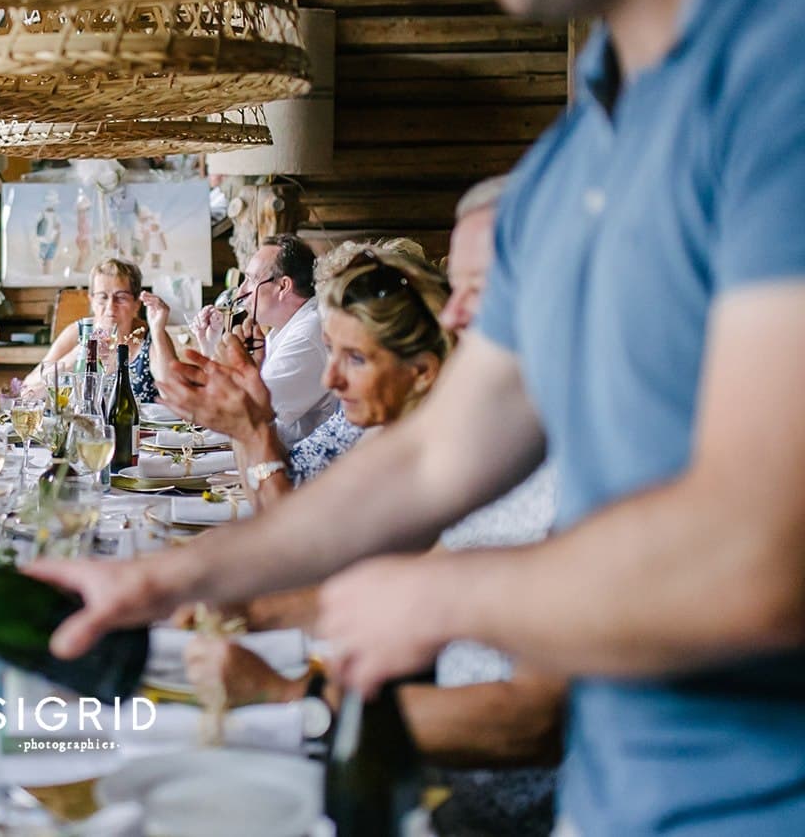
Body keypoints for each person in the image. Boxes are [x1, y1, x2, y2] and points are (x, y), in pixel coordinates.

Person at [29, 0, 805, 832]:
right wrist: (163, 577)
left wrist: (446, 594)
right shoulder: (569, 160)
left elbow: (767, 555)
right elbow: (433, 459)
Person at [185, 190, 566, 836]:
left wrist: (295, 701)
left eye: (481, 286)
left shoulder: (580, 458)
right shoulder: (483, 439)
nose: (455, 310)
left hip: (479, 813)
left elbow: (530, 720)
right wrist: (251, 607)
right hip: (419, 780)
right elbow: (414, 589)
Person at [193, 240, 444, 508]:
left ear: (421, 371)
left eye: (356, 358)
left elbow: (280, 506)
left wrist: (250, 415)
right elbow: (284, 479)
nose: (329, 380)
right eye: (331, 349)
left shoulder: (425, 448)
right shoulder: (353, 423)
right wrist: (249, 404)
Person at [180, 234, 337, 443]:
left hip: (300, 470)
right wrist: (210, 343)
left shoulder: (308, 334)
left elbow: (243, 413)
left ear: (283, 287)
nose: (241, 291)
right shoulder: (282, 329)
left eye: (252, 279)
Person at [25, 257, 158, 402]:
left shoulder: (151, 336)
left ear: (136, 304)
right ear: (92, 301)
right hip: (81, 422)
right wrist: (80, 353)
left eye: (121, 298)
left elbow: (171, 393)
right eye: (102, 297)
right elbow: (27, 391)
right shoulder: (78, 332)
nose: (110, 307)